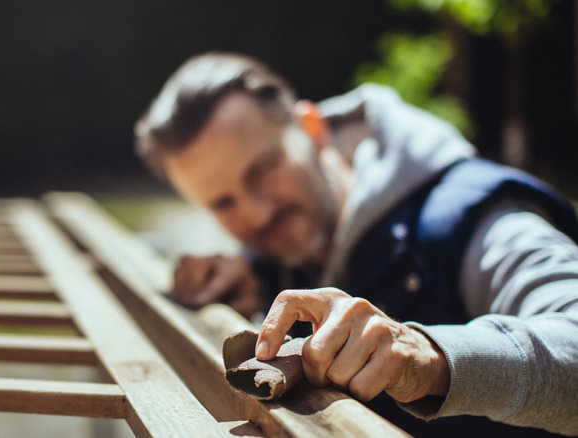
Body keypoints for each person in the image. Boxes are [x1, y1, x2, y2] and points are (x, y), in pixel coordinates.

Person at [134, 52, 578, 437]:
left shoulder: (473, 221)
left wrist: (430, 357)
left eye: (263, 170)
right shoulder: (280, 255)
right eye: (223, 202)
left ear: (311, 129)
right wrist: (255, 274)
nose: (257, 213)